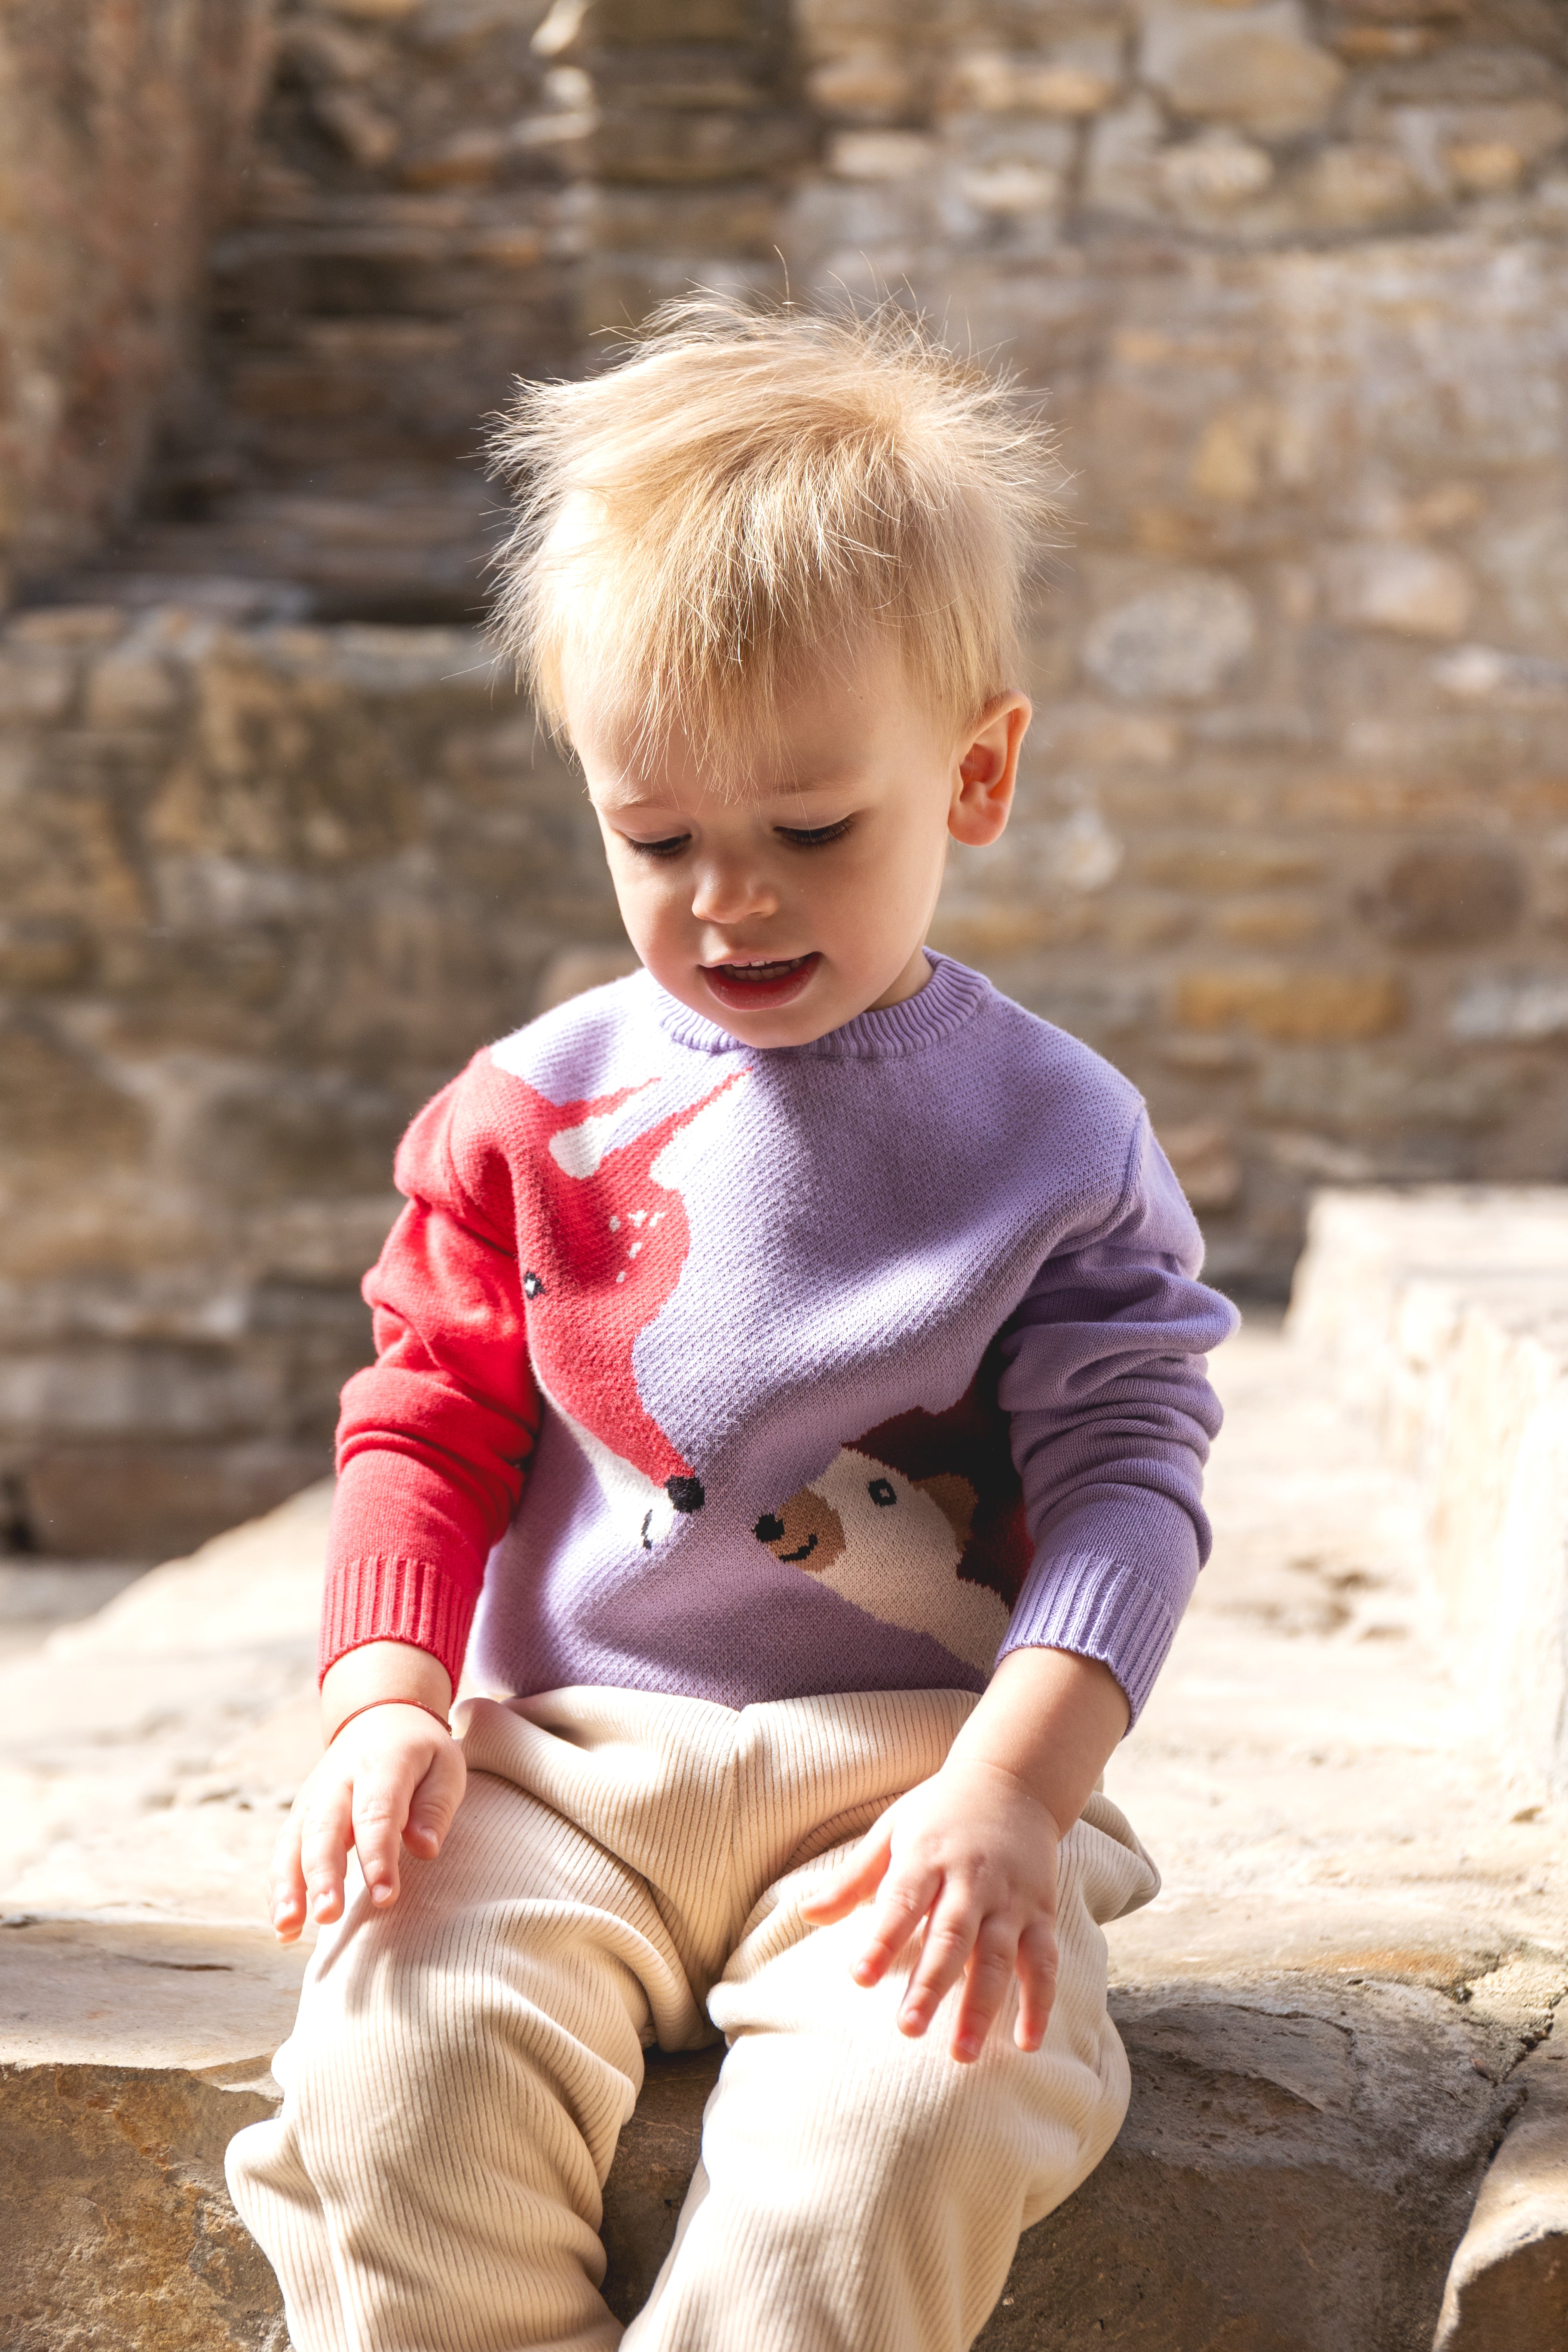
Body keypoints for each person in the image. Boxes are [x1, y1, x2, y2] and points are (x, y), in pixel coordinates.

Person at [227, 297, 1238, 2352]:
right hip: (554, 1772)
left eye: (811, 832)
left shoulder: (1053, 1136)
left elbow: (1133, 1488)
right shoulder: (530, 1113)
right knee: (390, 2077)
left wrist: (1020, 1796)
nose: (729, 902)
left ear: (976, 773)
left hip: (912, 1781)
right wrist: (384, 1709)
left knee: (896, 2125)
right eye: (658, 836)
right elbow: (424, 1423)